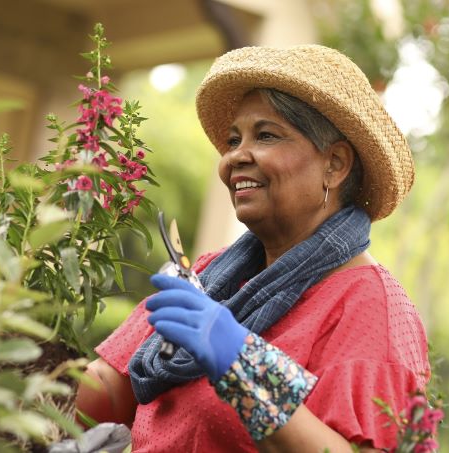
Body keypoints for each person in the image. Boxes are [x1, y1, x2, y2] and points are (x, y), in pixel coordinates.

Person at [74, 44, 430, 452]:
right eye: (232, 139)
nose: (234, 157)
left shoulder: (370, 306)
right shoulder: (210, 275)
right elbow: (107, 388)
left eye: (265, 135)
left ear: (334, 163)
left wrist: (241, 363)